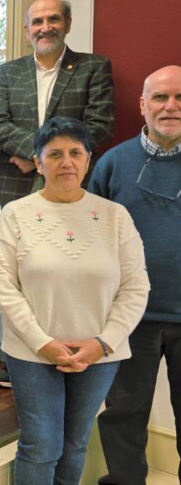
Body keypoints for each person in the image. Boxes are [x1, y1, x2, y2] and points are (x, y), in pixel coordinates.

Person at [0, 116, 149, 485]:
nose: (66, 162)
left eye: (76, 152)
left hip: (99, 354)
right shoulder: (16, 215)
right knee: (40, 447)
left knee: (76, 443)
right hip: (33, 352)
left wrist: (102, 343)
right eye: (55, 153)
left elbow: (136, 286)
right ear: (39, 161)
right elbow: (3, 285)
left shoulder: (115, 217)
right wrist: (43, 343)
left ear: (88, 160)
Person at [0, 0, 116, 388]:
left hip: (73, 188)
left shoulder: (93, 67)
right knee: (16, 275)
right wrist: (35, 154)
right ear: (27, 30)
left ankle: (70, 349)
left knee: (68, 271)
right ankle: (18, 358)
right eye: (37, 21)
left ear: (67, 23)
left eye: (53, 19)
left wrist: (50, 161)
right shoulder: (10, 72)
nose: (45, 27)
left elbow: (100, 124)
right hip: (17, 182)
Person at [91, 65, 181, 485]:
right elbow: (90, 240)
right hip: (130, 319)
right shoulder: (112, 164)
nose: (170, 106)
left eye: (179, 98)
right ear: (142, 105)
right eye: (161, 97)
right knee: (124, 416)